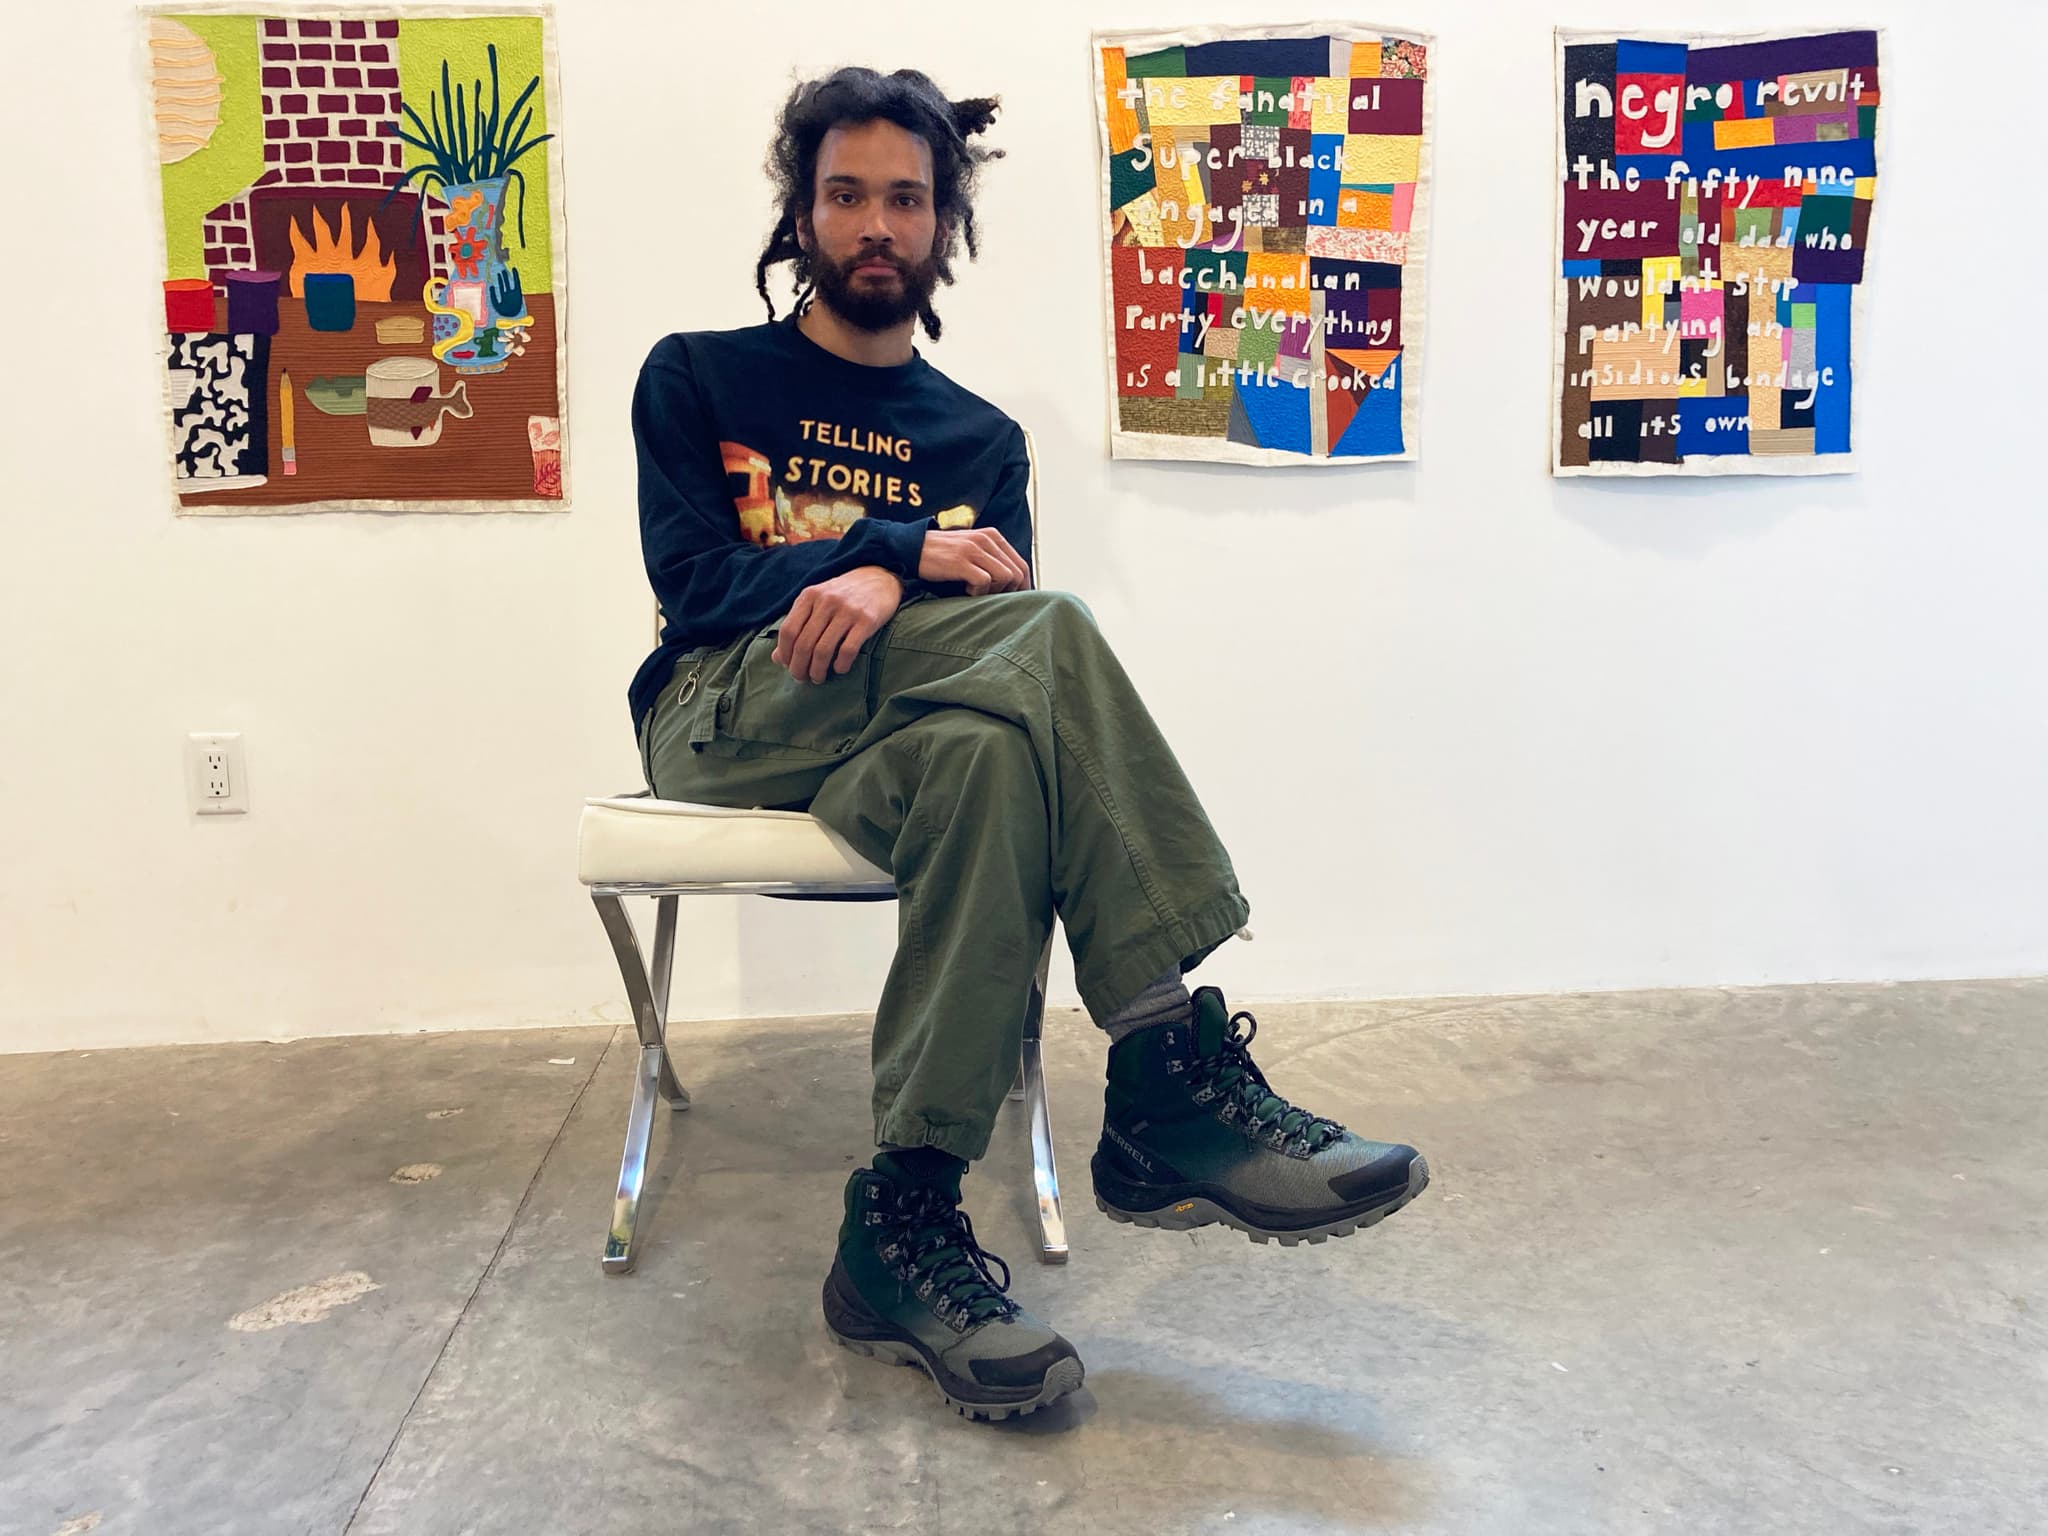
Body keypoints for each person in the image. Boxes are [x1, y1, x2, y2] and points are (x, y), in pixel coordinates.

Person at [629, 66, 1430, 1422]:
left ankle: (903, 1228)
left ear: (945, 224)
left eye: (904, 198)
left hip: (904, 740)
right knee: (1049, 630)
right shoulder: (701, 374)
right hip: (726, 710)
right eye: (845, 197)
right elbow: (699, 586)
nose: (874, 225)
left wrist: (894, 583)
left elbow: (996, 679)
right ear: (801, 212)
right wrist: (892, 547)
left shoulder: (981, 441)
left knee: (998, 761)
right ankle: (1163, 1067)